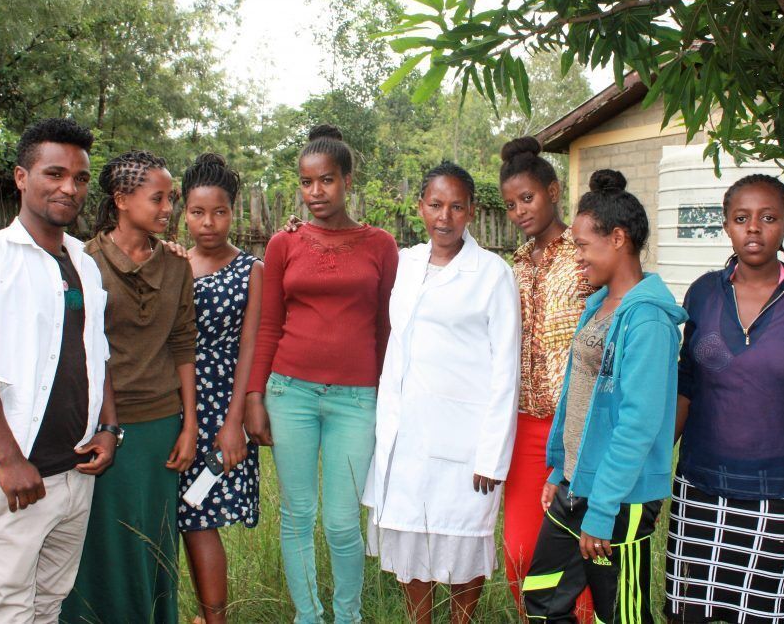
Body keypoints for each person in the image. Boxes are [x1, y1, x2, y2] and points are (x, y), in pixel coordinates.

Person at [0, 117, 117, 623]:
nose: (69, 188)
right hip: (15, 480)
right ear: (22, 177)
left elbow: (97, 351)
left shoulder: (83, 261)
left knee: (49, 606)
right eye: (54, 173)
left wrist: (108, 427)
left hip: (74, 475)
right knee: (8, 612)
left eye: (80, 178)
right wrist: (10, 459)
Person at [664, 174, 784, 624]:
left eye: (768, 218)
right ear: (726, 225)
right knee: (691, 614)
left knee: (760, 614)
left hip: (779, 494)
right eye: (741, 218)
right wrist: (649, 463)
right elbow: (687, 384)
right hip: (700, 488)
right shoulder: (705, 293)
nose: (754, 229)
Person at [245, 124, 398, 624]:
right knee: (295, 516)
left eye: (326, 181)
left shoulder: (380, 245)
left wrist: (388, 399)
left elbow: (386, 328)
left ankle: (348, 616)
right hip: (290, 394)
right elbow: (269, 325)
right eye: (307, 183)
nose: (315, 193)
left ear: (347, 180)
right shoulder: (283, 244)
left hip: (356, 400)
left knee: (340, 522)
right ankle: (307, 616)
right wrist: (254, 397)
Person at [522, 171, 687, 623]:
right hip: (578, 482)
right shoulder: (599, 305)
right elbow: (579, 394)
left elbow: (638, 423)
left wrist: (602, 512)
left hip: (622, 497)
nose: (577, 257)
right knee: (542, 597)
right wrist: (561, 466)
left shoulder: (648, 320)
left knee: (623, 614)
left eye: (582, 245)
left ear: (617, 239)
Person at [364, 161, 521, 624]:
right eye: (435, 205)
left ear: (471, 211)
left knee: (461, 538)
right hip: (406, 434)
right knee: (411, 534)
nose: (444, 217)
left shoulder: (492, 274)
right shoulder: (407, 263)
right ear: (421, 207)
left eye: (456, 207)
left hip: (465, 439)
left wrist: (492, 455)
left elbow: (505, 371)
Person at [61, 150, 198, 624]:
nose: (168, 209)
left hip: (161, 426)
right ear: (121, 199)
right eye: (157, 198)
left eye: (171, 200)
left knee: (153, 539)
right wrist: (100, 420)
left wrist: (190, 426)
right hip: (101, 428)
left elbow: (183, 345)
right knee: (99, 541)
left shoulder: (178, 266)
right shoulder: (82, 262)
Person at [498, 137, 595, 622]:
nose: (518, 211)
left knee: (578, 553)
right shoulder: (510, 268)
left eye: (528, 198)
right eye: (510, 204)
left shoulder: (582, 256)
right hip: (522, 428)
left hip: (574, 428)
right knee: (518, 552)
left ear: (553, 191)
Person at [177, 153, 264, 623]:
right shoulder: (171, 263)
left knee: (200, 518)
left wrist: (234, 424)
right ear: (183, 213)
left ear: (234, 213)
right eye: (197, 212)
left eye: (219, 211)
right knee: (181, 519)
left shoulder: (251, 269)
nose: (208, 223)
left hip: (219, 407)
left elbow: (249, 348)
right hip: (171, 402)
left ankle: (215, 619)